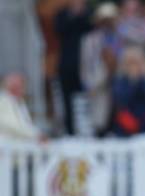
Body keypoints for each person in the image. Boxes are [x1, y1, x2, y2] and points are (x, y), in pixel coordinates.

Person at [80, 2, 122, 137]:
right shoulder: (90, 40)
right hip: (98, 86)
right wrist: (92, 82)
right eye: (105, 20)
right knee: (100, 124)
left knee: (119, 123)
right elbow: (86, 65)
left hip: (118, 86)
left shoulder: (120, 38)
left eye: (110, 20)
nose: (108, 23)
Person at [54, 0, 93, 135]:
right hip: (67, 65)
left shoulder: (88, 13)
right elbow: (60, 29)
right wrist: (73, 14)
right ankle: (70, 131)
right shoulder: (62, 14)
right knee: (67, 101)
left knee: (89, 98)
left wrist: (81, 14)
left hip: (86, 64)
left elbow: (90, 28)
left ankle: (90, 130)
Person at [112, 47, 145, 136]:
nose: (134, 66)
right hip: (126, 125)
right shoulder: (120, 80)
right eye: (131, 63)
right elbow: (121, 101)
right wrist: (133, 82)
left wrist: (142, 79)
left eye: (137, 63)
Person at [0, 73, 44, 142]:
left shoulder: (19, 102)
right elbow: (13, 126)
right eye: (21, 86)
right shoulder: (4, 101)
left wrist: (37, 134)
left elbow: (26, 124)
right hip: (8, 142)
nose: (23, 89)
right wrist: (36, 134)